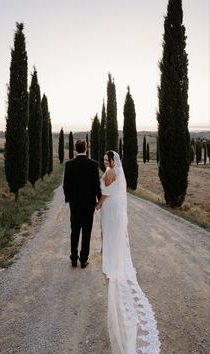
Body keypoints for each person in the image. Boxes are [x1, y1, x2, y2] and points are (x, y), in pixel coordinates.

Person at [96, 151, 160, 354]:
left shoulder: (109, 172)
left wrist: (98, 203)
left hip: (108, 206)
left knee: (110, 234)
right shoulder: (116, 171)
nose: (105, 161)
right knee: (114, 236)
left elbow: (105, 192)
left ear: (112, 160)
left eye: (107, 159)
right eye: (105, 160)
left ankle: (111, 263)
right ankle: (115, 260)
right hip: (116, 208)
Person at [63, 139, 101, 268]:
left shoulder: (69, 164)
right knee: (86, 231)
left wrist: (69, 199)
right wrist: (99, 200)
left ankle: (73, 258)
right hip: (89, 204)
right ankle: (83, 259)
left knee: (74, 230)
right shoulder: (93, 164)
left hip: (74, 204)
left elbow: (65, 185)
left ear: (75, 149)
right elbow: (97, 185)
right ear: (87, 148)